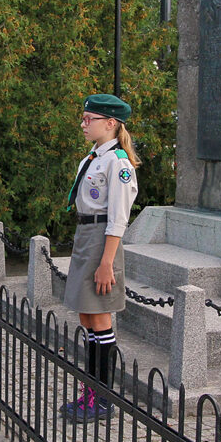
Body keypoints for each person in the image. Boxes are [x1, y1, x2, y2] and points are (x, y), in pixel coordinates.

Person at [59, 94, 139, 424]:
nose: (83, 123)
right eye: (83, 117)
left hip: (102, 241)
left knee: (100, 317)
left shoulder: (118, 163)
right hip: (85, 236)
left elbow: (118, 218)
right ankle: (90, 388)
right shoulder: (92, 158)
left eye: (88, 118)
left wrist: (107, 263)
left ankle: (102, 396)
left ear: (110, 123)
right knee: (86, 316)